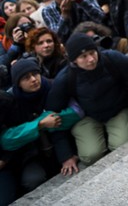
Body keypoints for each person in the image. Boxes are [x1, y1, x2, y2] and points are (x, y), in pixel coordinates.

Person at [45, 32, 128, 168]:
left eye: (92, 53)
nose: (90, 59)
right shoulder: (65, 78)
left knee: (122, 147)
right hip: (86, 116)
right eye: (83, 56)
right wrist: (65, 156)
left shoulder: (111, 58)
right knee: (90, 156)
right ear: (74, 61)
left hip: (117, 110)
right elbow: (52, 116)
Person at [0, 59, 81, 197]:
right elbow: (7, 139)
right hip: (31, 153)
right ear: (17, 83)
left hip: (61, 142)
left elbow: (76, 112)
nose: (33, 79)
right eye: (26, 77)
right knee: (32, 180)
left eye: (35, 74)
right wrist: (39, 124)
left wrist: (50, 120)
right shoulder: (10, 101)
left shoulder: (53, 85)